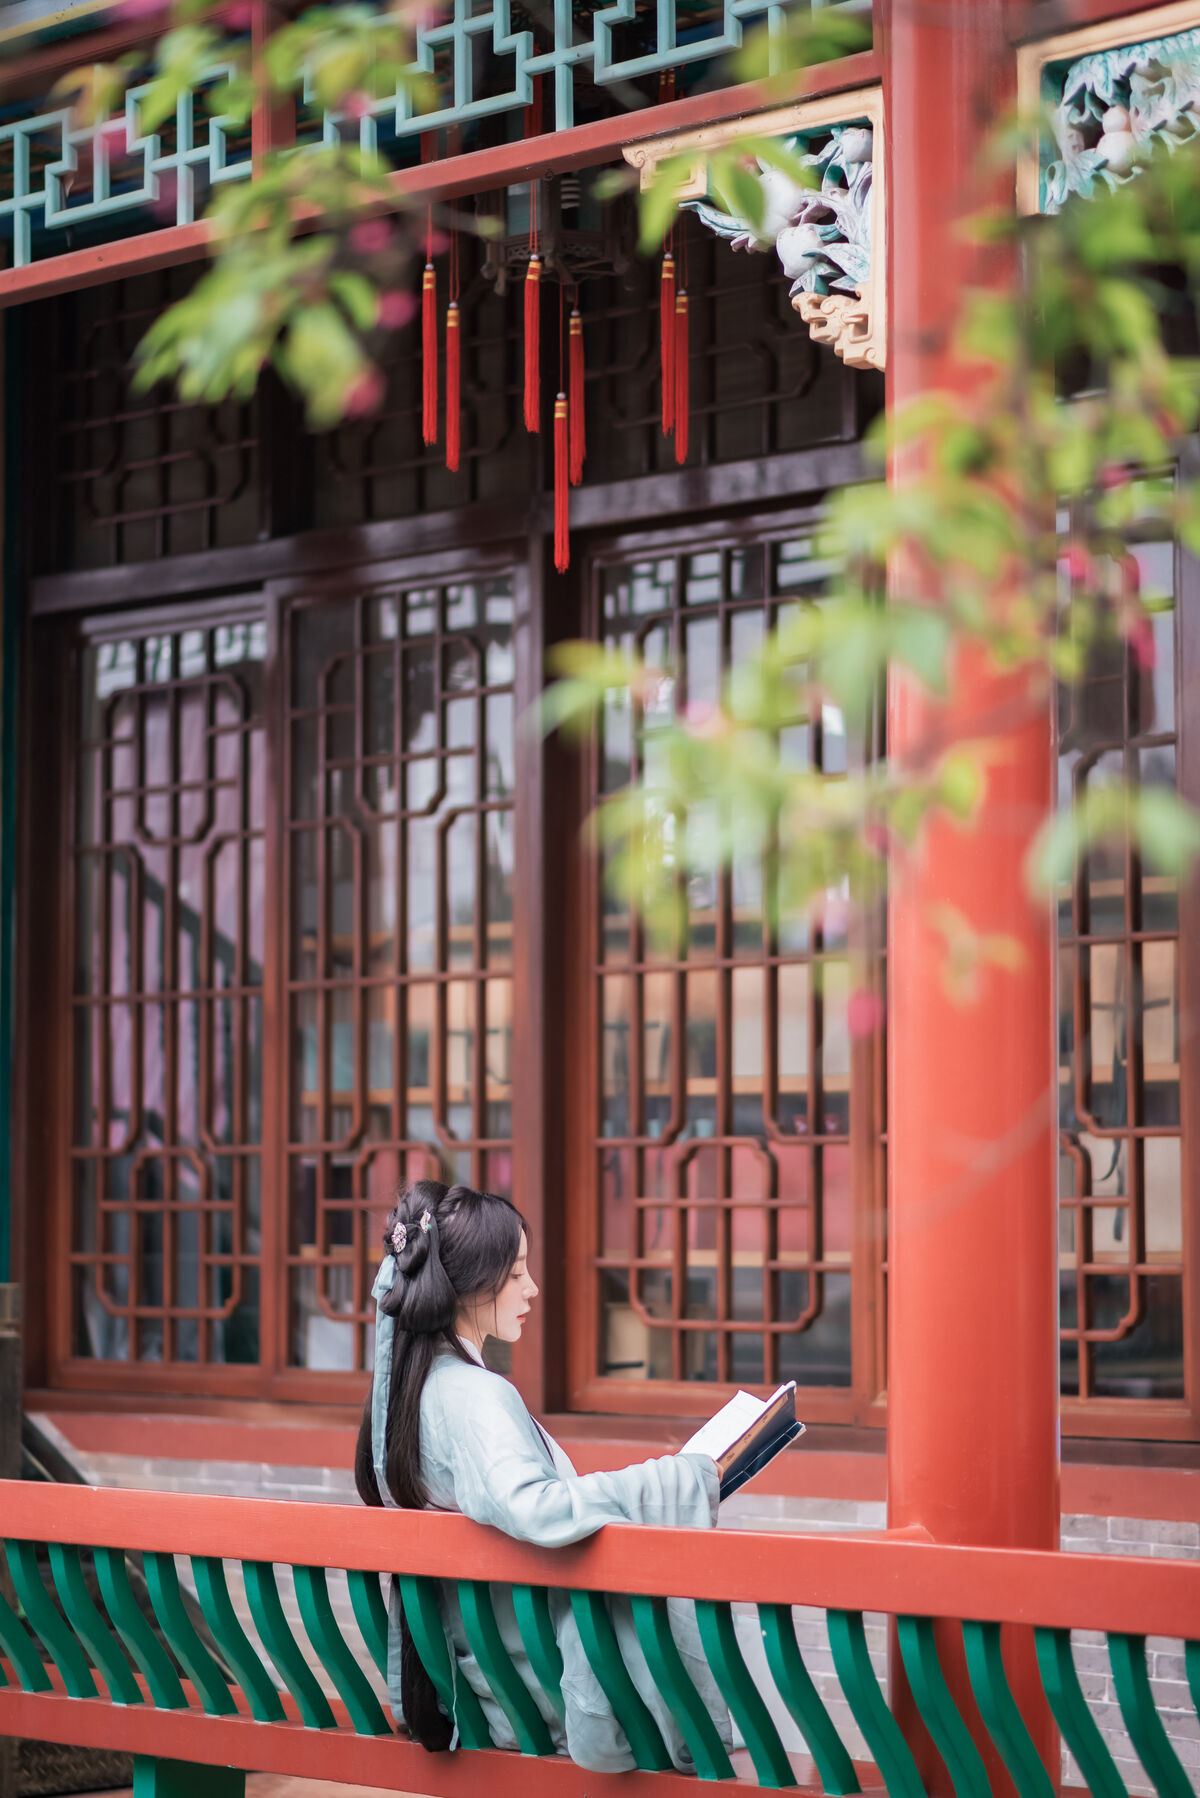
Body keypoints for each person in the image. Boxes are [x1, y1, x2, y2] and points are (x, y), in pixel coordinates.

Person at [354, 1178, 731, 1772]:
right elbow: (535, 1507)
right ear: (469, 1284)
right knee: (737, 1650)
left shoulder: (411, 1389)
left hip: (482, 1672)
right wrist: (678, 1476)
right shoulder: (473, 1395)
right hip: (533, 1690)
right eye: (515, 1273)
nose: (531, 1288)